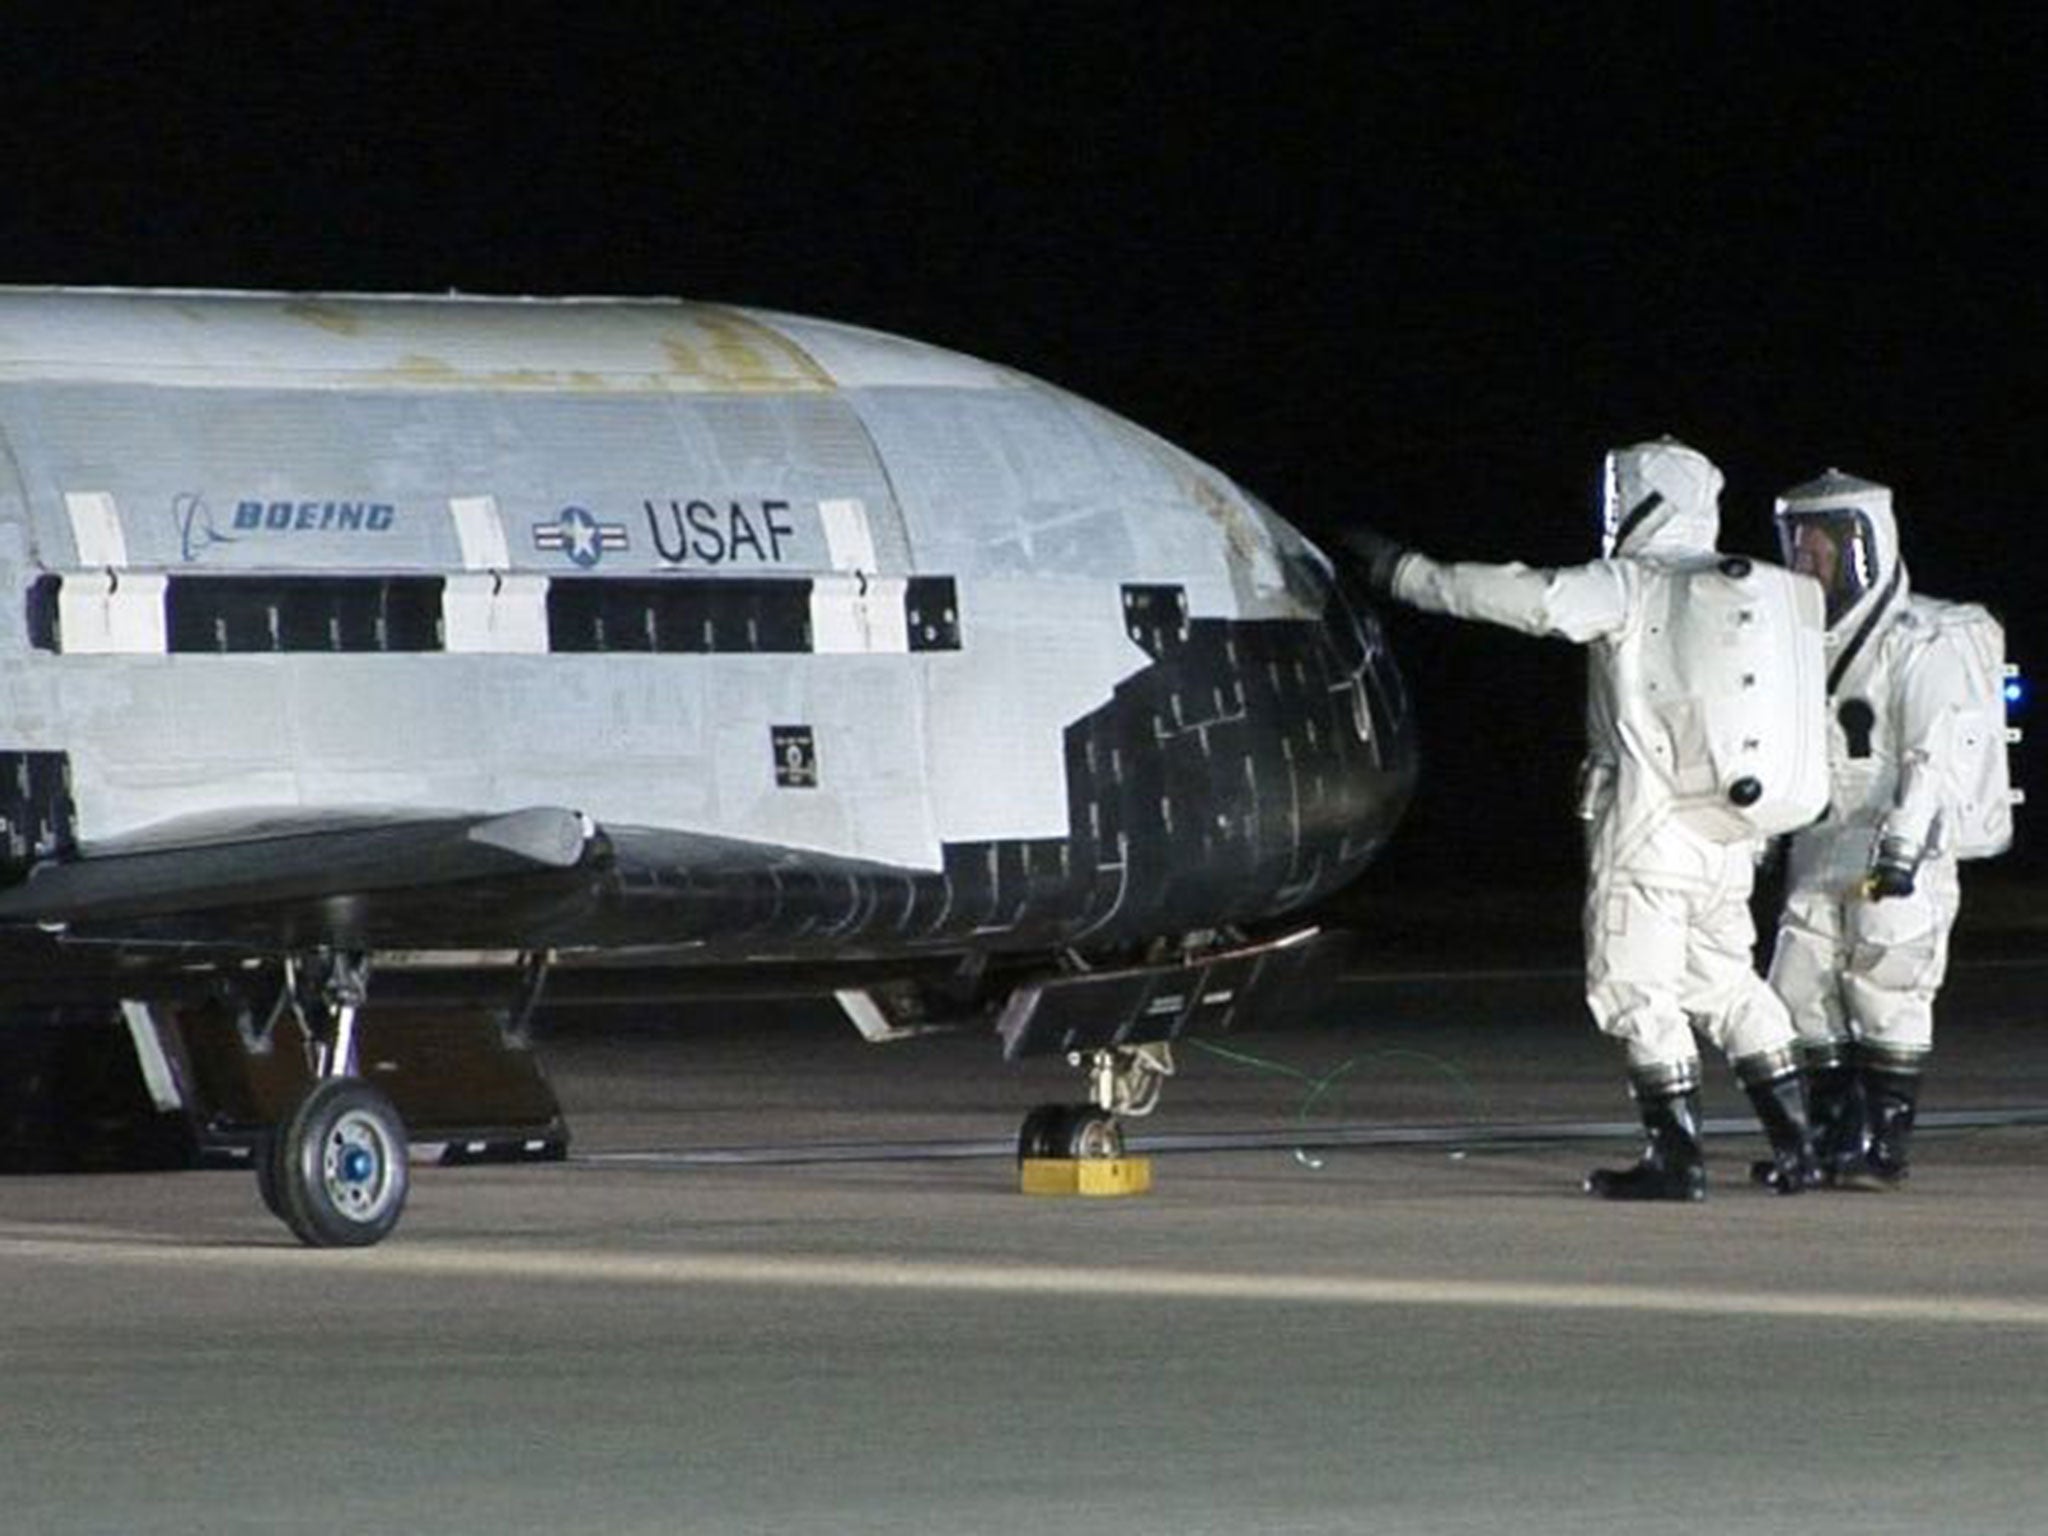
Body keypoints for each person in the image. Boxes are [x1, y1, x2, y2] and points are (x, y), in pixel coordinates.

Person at [1347, 438, 1828, 1200]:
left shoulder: (1633, 585)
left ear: (1637, 498)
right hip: (1727, 841)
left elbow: (1531, 598)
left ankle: (1676, 1161)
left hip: (1646, 832)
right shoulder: (1733, 593)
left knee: (1633, 988)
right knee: (1728, 985)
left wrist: (1410, 575)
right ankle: (1802, 1148)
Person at [1766, 469, 2013, 1188]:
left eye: (1820, 543)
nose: (1805, 555)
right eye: (1796, 541)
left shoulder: (1919, 640)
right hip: (1819, 837)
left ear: (1862, 542)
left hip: (1895, 838)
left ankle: (1882, 1143)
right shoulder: (1797, 639)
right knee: (1799, 985)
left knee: (1887, 984)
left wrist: (1903, 848)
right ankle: (1833, 1134)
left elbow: (1933, 752)